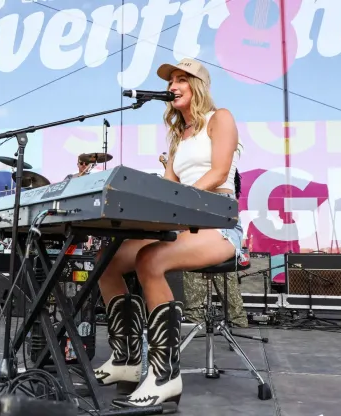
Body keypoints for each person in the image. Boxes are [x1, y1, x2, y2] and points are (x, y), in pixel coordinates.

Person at [94, 58, 244, 408]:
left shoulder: (220, 118)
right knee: (107, 261)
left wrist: (181, 207)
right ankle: (127, 361)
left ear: (198, 85)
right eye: (170, 80)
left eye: (181, 79)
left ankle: (165, 376)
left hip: (219, 224)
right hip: (183, 222)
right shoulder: (179, 136)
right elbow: (167, 190)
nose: (172, 85)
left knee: (150, 258)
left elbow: (220, 172)